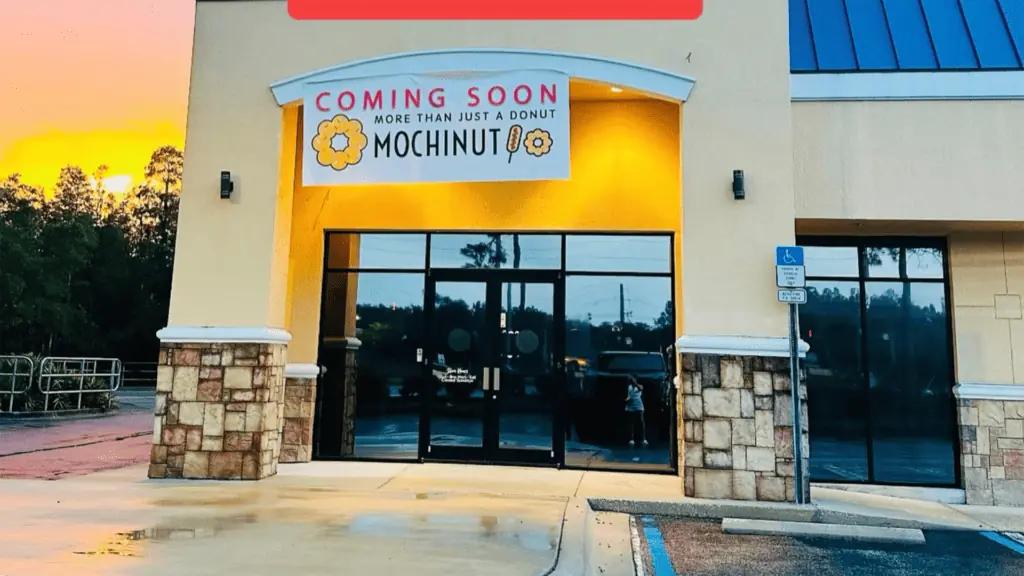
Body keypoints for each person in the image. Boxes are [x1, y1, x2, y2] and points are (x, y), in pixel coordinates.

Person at [624, 375, 648, 447]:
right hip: (631, 405)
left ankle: (643, 439)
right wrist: (626, 399)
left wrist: (634, 382)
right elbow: (627, 395)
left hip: (639, 405)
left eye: (633, 379)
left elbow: (640, 388)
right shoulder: (628, 387)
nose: (632, 380)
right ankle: (631, 439)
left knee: (641, 421)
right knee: (631, 422)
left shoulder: (640, 386)